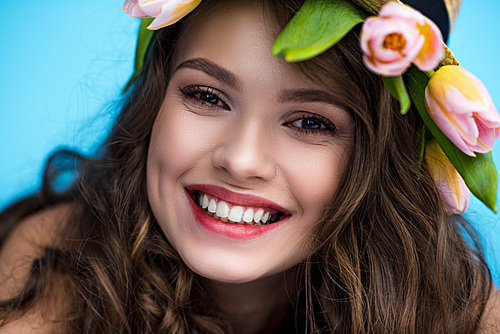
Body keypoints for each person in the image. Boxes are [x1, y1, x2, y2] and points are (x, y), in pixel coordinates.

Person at [0, 0, 499, 332]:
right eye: (205, 96)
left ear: (381, 159)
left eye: (309, 123)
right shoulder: (47, 273)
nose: (240, 160)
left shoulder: (458, 311)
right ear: (154, 104)